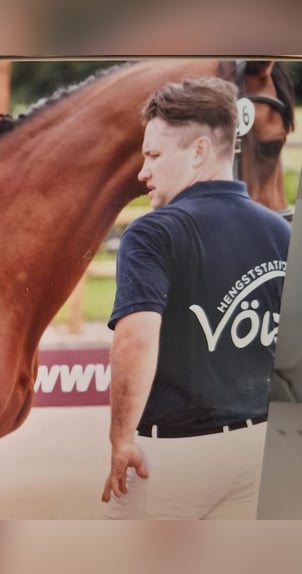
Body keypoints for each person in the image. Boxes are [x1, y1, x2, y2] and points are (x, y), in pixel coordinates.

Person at [101, 77, 291, 519]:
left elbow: (136, 341)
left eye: (153, 155)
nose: (142, 171)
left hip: (172, 459)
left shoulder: (153, 232)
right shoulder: (281, 233)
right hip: (259, 449)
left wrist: (121, 438)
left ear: (200, 151)